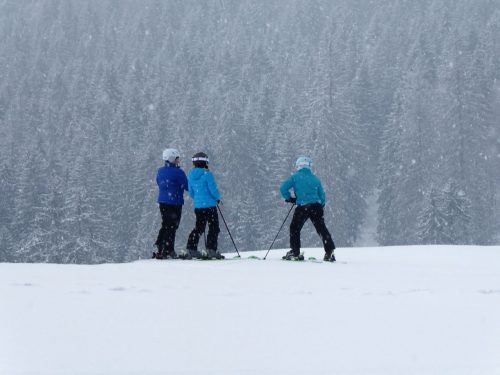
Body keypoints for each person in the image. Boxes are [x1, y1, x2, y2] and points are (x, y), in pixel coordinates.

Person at [279, 156, 336, 261]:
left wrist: (290, 198)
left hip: (302, 207)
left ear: (298, 165)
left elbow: (283, 188)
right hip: (316, 206)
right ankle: (329, 251)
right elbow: (322, 196)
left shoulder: (295, 177)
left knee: (295, 228)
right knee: (321, 228)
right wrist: (320, 205)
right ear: (309, 166)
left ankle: (295, 252)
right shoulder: (315, 179)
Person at [181, 152, 224, 260]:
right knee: (214, 227)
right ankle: (211, 249)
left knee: (199, 227)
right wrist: (218, 199)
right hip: (210, 205)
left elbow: (191, 192)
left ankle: (191, 248)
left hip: (198, 206)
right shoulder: (207, 174)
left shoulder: (190, 174)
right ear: (205, 162)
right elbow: (213, 190)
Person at [154, 148, 188, 259]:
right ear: (172, 159)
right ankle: (168, 249)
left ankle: (160, 246)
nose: (179, 161)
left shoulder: (160, 171)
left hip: (163, 202)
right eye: (177, 159)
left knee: (165, 224)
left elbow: (159, 182)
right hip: (175, 202)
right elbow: (187, 186)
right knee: (173, 226)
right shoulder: (179, 172)